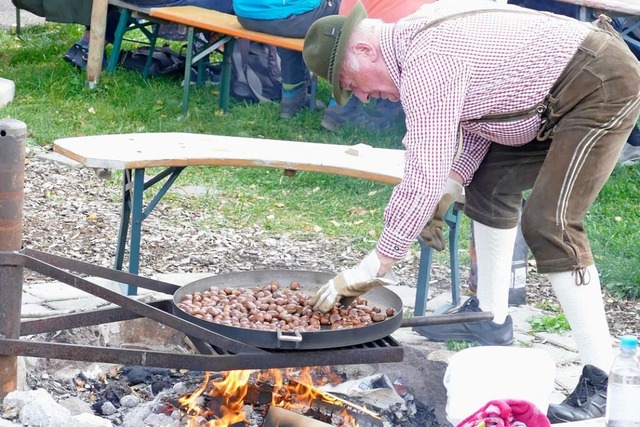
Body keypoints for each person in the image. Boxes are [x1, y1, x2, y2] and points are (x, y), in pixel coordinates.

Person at [302, 0, 640, 423]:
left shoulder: (428, 59)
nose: (365, 97)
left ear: (366, 51)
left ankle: (605, 379)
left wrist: (372, 266)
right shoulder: (413, 47)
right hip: (546, 98)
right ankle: (491, 318)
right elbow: (480, 118)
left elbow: (423, 169)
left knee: (550, 222)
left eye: (353, 84)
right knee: (490, 185)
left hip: (598, 83)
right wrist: (454, 181)